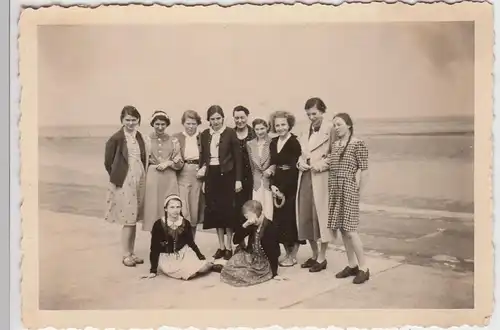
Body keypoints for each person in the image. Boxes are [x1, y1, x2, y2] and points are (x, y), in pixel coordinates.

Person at [327, 113, 370, 284]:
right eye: (334, 125)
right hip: (336, 188)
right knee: (343, 229)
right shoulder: (336, 144)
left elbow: (365, 170)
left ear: (349, 125)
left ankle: (364, 268)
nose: (336, 128)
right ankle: (351, 265)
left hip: (349, 188)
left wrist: (358, 190)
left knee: (351, 230)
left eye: (339, 124)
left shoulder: (357, 143)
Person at [104, 105, 149, 267]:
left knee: (134, 217)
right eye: (127, 120)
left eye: (134, 120)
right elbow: (108, 162)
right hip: (125, 179)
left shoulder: (140, 136)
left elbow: (144, 156)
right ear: (122, 120)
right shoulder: (116, 138)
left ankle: (131, 252)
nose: (130, 123)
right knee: (128, 218)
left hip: (140, 176)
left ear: (138, 120)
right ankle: (125, 254)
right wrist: (119, 177)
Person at [296, 97, 336, 273]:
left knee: (321, 217)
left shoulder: (331, 130)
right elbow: (302, 153)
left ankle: (322, 257)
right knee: (305, 216)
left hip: (321, 178)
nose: (312, 117)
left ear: (323, 111)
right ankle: (314, 254)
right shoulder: (306, 130)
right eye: (309, 114)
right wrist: (300, 163)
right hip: (305, 177)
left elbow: (335, 155)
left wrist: (320, 166)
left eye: (315, 113)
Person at [198, 105, 243, 260]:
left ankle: (229, 247)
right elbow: (203, 157)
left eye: (218, 118)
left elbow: (238, 158)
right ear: (208, 120)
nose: (215, 122)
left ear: (223, 118)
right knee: (216, 211)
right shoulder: (205, 134)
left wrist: (238, 180)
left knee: (228, 212)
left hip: (228, 176)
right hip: (212, 175)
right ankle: (221, 246)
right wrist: (204, 179)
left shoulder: (230, 133)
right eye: (212, 119)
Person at [142, 194, 214, 280]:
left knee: (203, 268)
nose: (175, 210)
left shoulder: (185, 223)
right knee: (190, 275)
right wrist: (153, 270)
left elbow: (190, 242)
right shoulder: (158, 224)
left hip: (184, 253)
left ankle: (212, 265)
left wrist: (200, 256)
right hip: (167, 257)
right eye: (172, 207)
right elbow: (154, 248)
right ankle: (193, 268)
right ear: (166, 209)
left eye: (178, 207)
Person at [266, 111, 304, 267]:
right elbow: (274, 164)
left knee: (291, 221)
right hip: (277, 183)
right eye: (277, 125)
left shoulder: (294, 142)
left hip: (291, 185)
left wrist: (281, 188)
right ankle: (287, 253)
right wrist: (273, 185)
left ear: (289, 125)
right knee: (279, 221)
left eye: (283, 124)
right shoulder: (273, 142)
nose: (280, 128)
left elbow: (294, 168)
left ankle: (293, 256)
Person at [217, 200, 284, 287]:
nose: (246, 218)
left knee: (242, 274)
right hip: (251, 256)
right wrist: (245, 225)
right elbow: (236, 240)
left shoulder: (270, 227)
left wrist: (274, 273)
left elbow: (274, 251)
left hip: (263, 262)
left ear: (255, 214)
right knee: (230, 265)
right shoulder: (251, 224)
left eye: (247, 216)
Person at [142, 110, 183, 232]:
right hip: (152, 178)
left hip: (169, 178)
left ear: (167, 125)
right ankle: (156, 244)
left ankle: (170, 244)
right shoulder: (146, 140)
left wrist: (169, 163)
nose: (160, 127)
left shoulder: (173, 141)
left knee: (170, 206)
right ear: (152, 124)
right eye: (157, 124)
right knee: (153, 209)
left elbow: (180, 162)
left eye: (163, 124)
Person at [174, 110, 204, 239]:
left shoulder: (204, 137)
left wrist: (205, 168)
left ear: (198, 124)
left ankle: (192, 241)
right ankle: (179, 242)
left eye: (193, 123)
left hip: (198, 174)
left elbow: (209, 156)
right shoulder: (176, 137)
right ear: (183, 123)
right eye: (188, 123)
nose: (191, 126)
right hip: (182, 173)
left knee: (194, 209)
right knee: (182, 209)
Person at [233, 106, 256, 232]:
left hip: (252, 176)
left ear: (247, 117)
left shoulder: (254, 133)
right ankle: (240, 243)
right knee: (238, 209)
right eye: (237, 118)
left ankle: (253, 242)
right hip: (236, 178)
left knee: (252, 208)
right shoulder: (230, 134)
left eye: (242, 117)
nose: (240, 120)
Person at [246, 118, 274, 220]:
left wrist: (271, 170)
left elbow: (275, 161)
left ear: (267, 128)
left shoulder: (272, 142)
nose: (260, 132)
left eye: (262, 128)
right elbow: (252, 165)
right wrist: (255, 180)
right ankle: (257, 235)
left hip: (269, 180)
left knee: (269, 210)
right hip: (257, 181)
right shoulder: (250, 144)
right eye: (257, 129)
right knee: (257, 210)